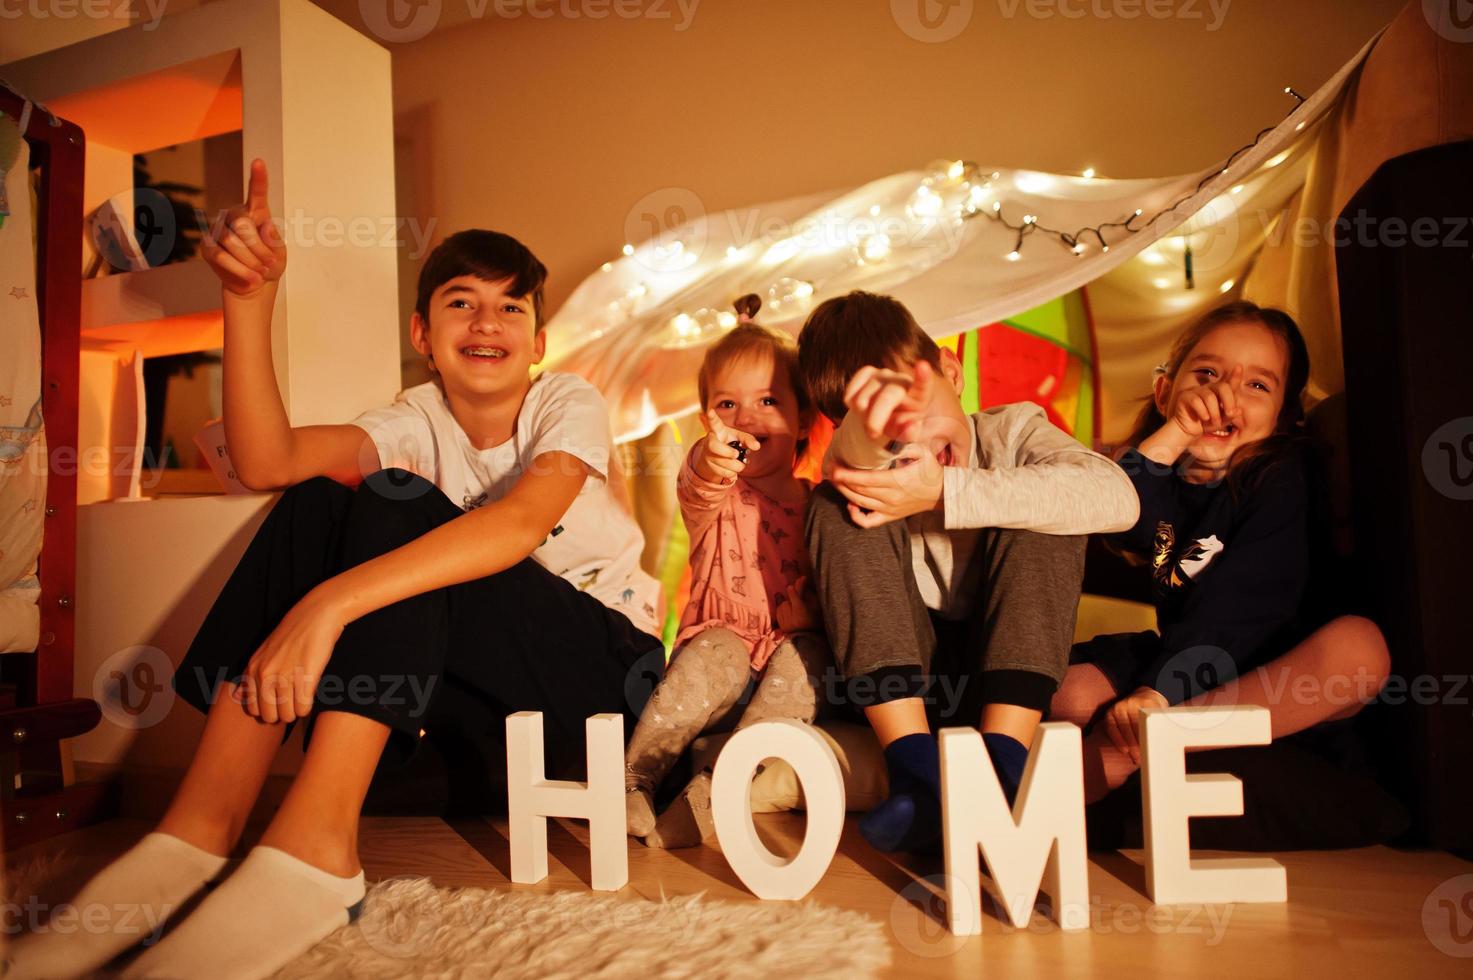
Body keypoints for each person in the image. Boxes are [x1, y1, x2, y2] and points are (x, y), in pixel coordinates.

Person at [6, 160, 663, 980]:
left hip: (600, 688)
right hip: (477, 725)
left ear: (536, 342)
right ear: (423, 334)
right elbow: (267, 459)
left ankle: (316, 847)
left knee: (392, 499)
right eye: (461, 301)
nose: (486, 321)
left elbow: (518, 525)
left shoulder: (563, 402)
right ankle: (197, 831)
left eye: (510, 307)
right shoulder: (413, 417)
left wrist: (325, 606)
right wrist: (247, 303)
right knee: (324, 497)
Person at [797, 291, 1138, 853]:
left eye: (915, 412)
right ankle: (914, 769)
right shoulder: (869, 473)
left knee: (1044, 505)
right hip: (909, 688)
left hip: (1007, 681)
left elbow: (1119, 499)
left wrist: (944, 493)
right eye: (888, 436)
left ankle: (1002, 765)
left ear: (951, 373)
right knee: (835, 507)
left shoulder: (1015, 431)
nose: (918, 449)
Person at [1051, 301, 1390, 801]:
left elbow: (1243, 607)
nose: (1224, 395)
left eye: (1257, 384)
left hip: (1267, 658)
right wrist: (1172, 434)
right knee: (1068, 694)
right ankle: (1154, 734)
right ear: (1166, 392)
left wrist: (1159, 692)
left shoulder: (1277, 478)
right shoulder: (1162, 476)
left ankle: (1146, 741)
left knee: (1359, 651)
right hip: (1189, 652)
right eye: (1207, 374)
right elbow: (1122, 520)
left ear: (1281, 418)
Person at [624, 295, 831, 848]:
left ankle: (722, 790)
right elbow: (699, 477)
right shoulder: (714, 494)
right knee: (715, 653)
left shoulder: (819, 504)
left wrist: (812, 614)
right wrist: (712, 458)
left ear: (804, 416)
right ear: (707, 421)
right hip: (722, 644)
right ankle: (636, 778)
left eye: (768, 400)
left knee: (809, 659)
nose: (747, 418)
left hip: (790, 646)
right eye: (727, 405)